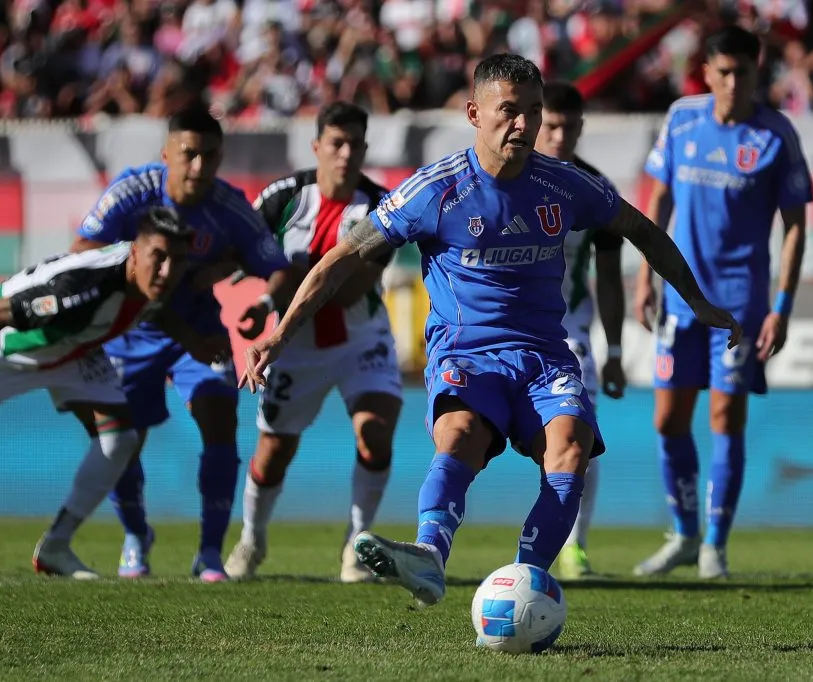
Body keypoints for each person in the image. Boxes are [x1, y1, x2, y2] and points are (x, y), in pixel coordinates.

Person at [239, 54, 740, 607]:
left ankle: (523, 586)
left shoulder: (564, 185)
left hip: (545, 355)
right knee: (459, 436)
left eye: (532, 111)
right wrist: (281, 333)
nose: (523, 125)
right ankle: (429, 557)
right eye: (509, 112)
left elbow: (641, 229)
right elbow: (342, 257)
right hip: (468, 352)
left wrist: (696, 300)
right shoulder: (435, 190)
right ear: (475, 113)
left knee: (571, 448)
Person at [70, 105, 296, 582]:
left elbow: (276, 265)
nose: (198, 166)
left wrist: (260, 298)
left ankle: (210, 552)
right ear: (166, 154)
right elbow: (81, 253)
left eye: (209, 156)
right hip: (131, 332)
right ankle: (136, 535)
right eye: (188, 154)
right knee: (120, 443)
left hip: (201, 335)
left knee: (219, 421)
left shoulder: (228, 205)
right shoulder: (133, 193)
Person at [632, 25, 813, 580]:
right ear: (707, 73)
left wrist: (782, 305)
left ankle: (714, 544)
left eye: (746, 72)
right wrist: (645, 275)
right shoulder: (682, 119)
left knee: (723, 416)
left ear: (759, 73)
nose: (735, 83)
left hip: (738, 305)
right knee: (667, 420)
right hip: (680, 299)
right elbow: (657, 200)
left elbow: (796, 226)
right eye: (725, 72)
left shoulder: (776, 135)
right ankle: (684, 534)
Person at [223, 102, 403, 583]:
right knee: (273, 451)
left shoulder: (382, 208)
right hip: (294, 347)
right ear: (317, 146)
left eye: (355, 145)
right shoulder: (284, 196)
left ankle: (356, 546)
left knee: (376, 432)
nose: (345, 154)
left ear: (364, 149)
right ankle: (251, 540)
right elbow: (247, 250)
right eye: (336, 143)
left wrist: (279, 283)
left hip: (360, 338)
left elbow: (348, 288)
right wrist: (263, 299)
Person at [0, 208, 192, 578]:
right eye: (159, 257)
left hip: (73, 352)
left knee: (119, 439)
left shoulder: (154, 279)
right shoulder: (84, 287)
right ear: (135, 252)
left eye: (177, 260)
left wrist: (193, 341)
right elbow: (12, 307)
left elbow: (154, 310)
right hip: (13, 352)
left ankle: (55, 547)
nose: (168, 271)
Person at [533, 81, 626, 581]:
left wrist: (615, 350)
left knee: (579, 431)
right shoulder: (508, 176)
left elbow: (609, 278)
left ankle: (573, 546)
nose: (560, 135)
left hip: (571, 328)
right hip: (512, 328)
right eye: (551, 125)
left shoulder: (596, 191)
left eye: (569, 126)